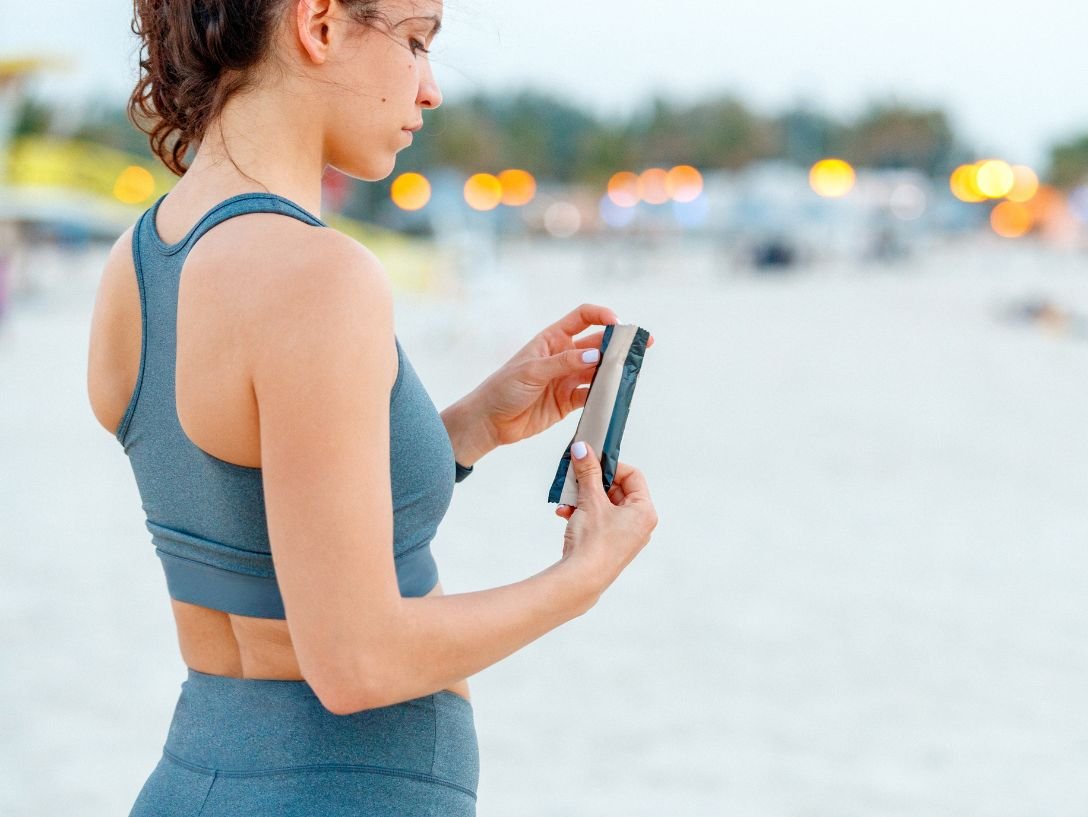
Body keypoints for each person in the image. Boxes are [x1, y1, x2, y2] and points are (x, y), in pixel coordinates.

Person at [84, 0, 659, 813]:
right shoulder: (318, 276)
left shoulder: (137, 264)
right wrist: (586, 573)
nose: (430, 90)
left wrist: (475, 426)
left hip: (191, 781)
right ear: (318, 23)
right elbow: (357, 661)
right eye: (417, 42)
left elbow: (253, 504)